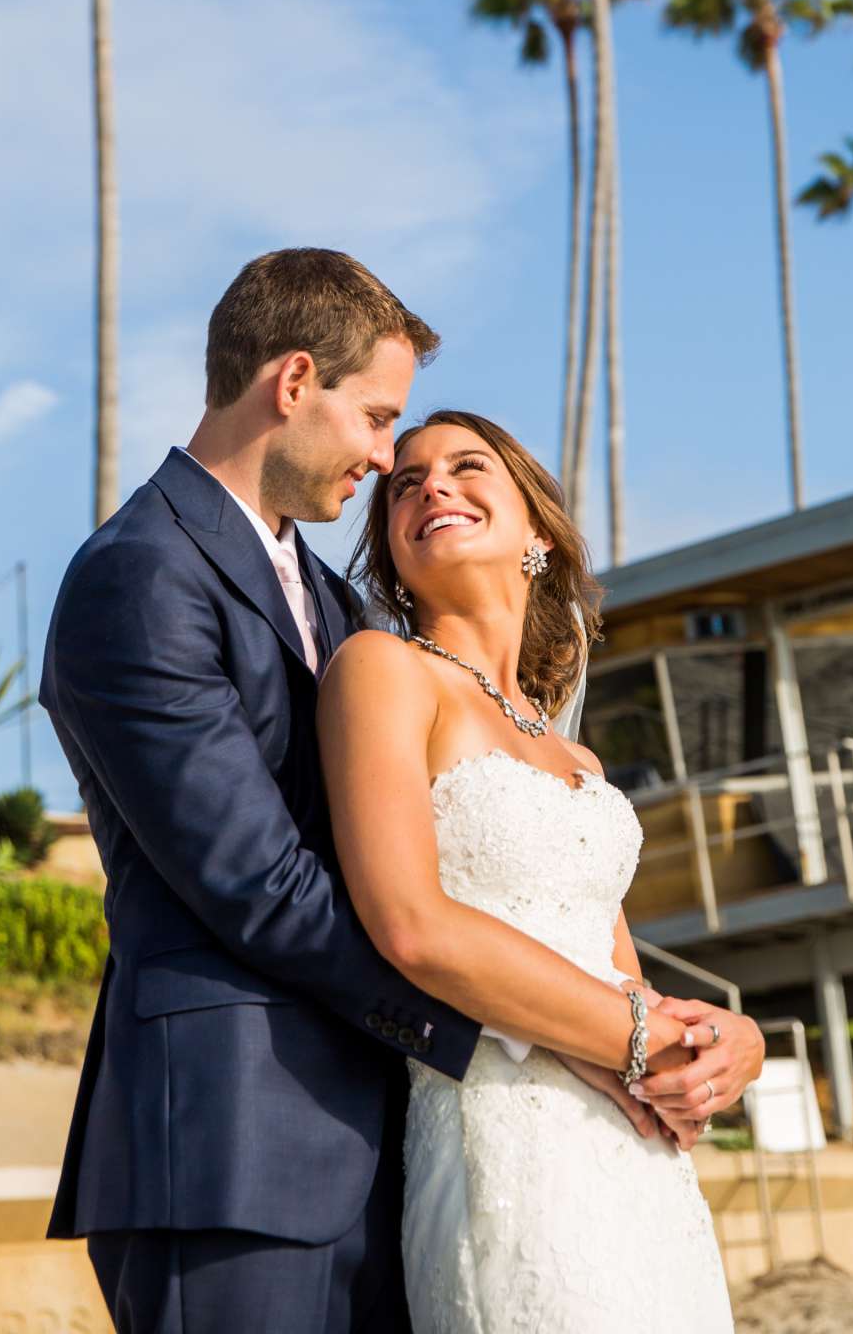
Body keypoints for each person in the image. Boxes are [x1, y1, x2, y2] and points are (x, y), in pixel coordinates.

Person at [41, 248, 761, 1334]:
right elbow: (261, 884)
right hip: (236, 1141)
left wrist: (693, 1036)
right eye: (380, 421)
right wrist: (566, 1035)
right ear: (293, 385)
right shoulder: (140, 575)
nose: (389, 461)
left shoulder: (340, 614)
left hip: (405, 1138)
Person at [322, 406, 746, 1332]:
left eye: (467, 467)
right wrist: (632, 1039)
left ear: (538, 535)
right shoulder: (382, 672)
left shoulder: (578, 763)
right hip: (507, 1145)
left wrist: (723, 1051)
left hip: (641, 1171)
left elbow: (622, 976)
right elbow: (411, 925)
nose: (431, 484)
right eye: (404, 482)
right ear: (392, 550)